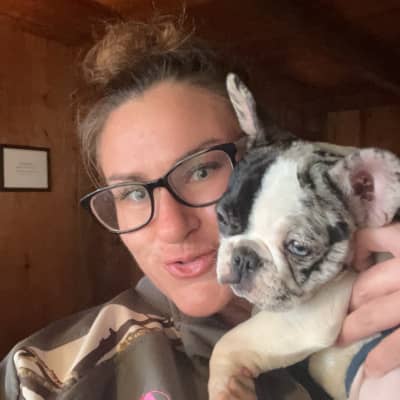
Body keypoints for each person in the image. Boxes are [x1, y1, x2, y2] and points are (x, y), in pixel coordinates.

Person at [1, 14, 400, 400]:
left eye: (201, 171)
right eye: (133, 193)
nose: (172, 227)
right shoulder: (39, 378)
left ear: (263, 157)